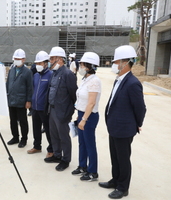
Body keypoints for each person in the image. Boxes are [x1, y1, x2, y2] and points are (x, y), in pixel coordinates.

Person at [98, 45, 146, 199]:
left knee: (123, 159)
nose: (114, 64)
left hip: (125, 129)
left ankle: (123, 187)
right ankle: (115, 180)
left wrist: (137, 124)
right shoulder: (118, 80)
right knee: (115, 157)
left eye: (116, 61)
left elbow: (140, 108)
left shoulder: (133, 83)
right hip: (114, 126)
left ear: (126, 63)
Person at [44, 46, 77, 171]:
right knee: (54, 135)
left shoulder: (68, 74)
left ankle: (65, 159)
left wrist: (70, 112)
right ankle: (57, 155)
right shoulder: (54, 73)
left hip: (62, 112)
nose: (50, 61)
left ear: (60, 59)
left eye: (52, 58)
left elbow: (74, 95)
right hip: (52, 110)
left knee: (64, 136)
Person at [71, 52, 101, 181]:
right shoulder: (85, 79)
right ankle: (82, 166)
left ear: (88, 66)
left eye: (82, 65)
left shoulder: (94, 81)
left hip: (89, 116)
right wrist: (79, 116)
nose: (80, 67)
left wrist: (84, 119)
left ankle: (92, 172)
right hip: (81, 113)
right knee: (82, 143)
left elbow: (91, 102)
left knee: (89, 144)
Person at [27, 51, 53, 158]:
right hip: (35, 106)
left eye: (40, 63)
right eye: (37, 63)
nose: (38, 65)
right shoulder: (36, 75)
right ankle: (37, 146)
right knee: (36, 128)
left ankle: (51, 149)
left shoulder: (51, 75)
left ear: (46, 63)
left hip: (45, 108)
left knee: (48, 129)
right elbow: (33, 89)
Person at [6, 48, 33, 148]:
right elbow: (8, 83)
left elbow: (30, 87)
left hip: (21, 101)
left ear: (24, 59)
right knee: (12, 120)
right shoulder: (12, 70)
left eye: (19, 58)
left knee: (22, 121)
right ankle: (15, 137)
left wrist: (28, 100)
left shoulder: (27, 72)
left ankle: (24, 138)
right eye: (15, 58)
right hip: (11, 100)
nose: (16, 60)